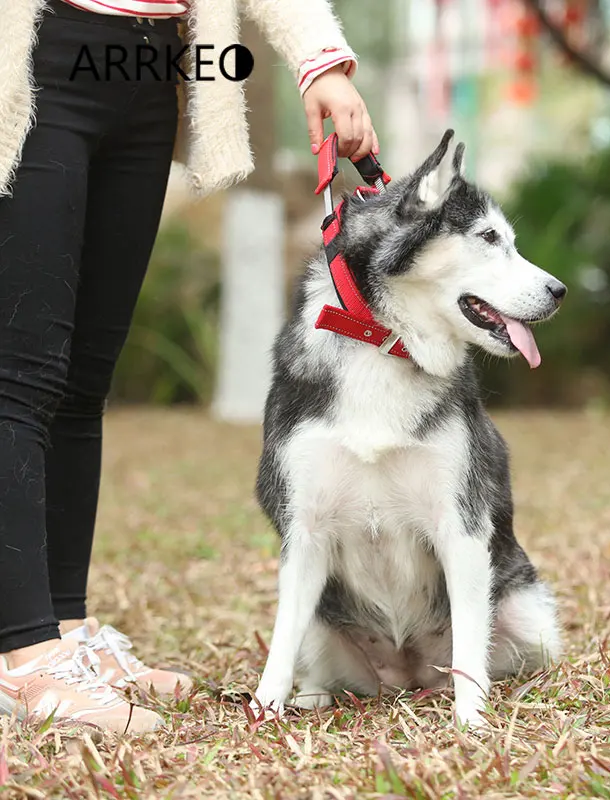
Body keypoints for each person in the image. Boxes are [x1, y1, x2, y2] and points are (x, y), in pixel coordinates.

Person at [0, 0, 377, 734]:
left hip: (151, 68)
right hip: (42, 51)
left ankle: (67, 633)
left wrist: (319, 60)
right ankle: (23, 657)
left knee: (82, 383)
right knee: (20, 375)